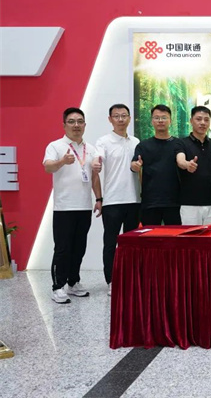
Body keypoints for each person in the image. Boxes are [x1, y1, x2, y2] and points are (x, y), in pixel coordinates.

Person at [43, 107, 102, 304]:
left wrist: (99, 199)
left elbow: (94, 177)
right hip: (64, 207)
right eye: (71, 121)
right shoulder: (56, 146)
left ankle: (73, 282)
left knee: (79, 248)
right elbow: (47, 167)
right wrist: (62, 161)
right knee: (63, 248)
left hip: (84, 207)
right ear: (64, 125)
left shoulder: (90, 149)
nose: (76, 125)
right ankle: (58, 286)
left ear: (84, 124)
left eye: (79, 121)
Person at [92, 104, 140, 296]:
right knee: (111, 242)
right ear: (110, 119)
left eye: (124, 115)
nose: (121, 119)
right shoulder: (103, 141)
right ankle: (112, 280)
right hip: (112, 201)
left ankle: (130, 278)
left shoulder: (136, 141)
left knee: (131, 245)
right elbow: (98, 158)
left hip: (134, 200)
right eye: (116, 116)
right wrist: (96, 163)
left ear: (129, 118)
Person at [131, 104, 181, 225]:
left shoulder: (179, 144)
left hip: (175, 201)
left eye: (164, 118)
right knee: (150, 236)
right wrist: (135, 165)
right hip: (150, 202)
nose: (160, 121)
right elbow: (134, 164)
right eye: (157, 118)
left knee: (175, 236)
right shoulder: (143, 145)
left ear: (170, 120)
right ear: (152, 121)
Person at [175, 106, 211, 225]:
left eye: (206, 120)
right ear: (191, 121)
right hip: (189, 204)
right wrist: (187, 164)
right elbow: (180, 160)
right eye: (198, 119)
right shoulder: (182, 143)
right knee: (190, 237)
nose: (203, 123)